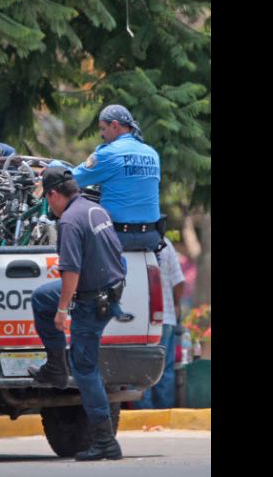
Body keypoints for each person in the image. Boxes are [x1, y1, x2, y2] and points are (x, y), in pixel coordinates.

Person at [28, 167, 125, 461]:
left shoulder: (69, 220)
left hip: (92, 300)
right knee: (41, 296)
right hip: (108, 288)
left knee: (85, 369)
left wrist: (63, 309)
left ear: (55, 194)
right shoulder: (95, 210)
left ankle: (105, 441)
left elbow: (71, 270)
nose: (49, 206)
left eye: (48, 200)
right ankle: (56, 366)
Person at [70, 104, 162, 251]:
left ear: (114, 125)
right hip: (151, 238)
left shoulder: (109, 153)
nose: (101, 134)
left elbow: (73, 179)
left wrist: (54, 167)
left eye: (103, 128)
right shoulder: (152, 154)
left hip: (117, 237)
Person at [132, 237, 185, 408]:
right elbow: (179, 282)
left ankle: (144, 415)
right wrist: (175, 303)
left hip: (136, 321)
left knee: (140, 370)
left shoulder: (125, 242)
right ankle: (163, 411)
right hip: (165, 317)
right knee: (164, 370)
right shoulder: (165, 244)